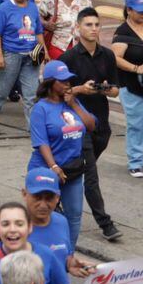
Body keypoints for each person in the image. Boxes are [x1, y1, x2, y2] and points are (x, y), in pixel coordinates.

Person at [58, 8, 121, 242]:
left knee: (76, 170)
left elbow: (115, 89)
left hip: (101, 123)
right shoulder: (69, 58)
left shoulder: (107, 55)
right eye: (88, 25)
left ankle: (53, 199)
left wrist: (105, 88)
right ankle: (106, 224)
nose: (93, 29)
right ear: (78, 28)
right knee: (90, 174)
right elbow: (58, 90)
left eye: (96, 24)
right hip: (77, 123)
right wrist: (79, 89)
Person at [27, 62, 96, 249]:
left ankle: (68, 254)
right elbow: (41, 142)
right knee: (43, 215)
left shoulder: (72, 103)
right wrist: (54, 167)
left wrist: (74, 103)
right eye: (62, 80)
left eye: (69, 80)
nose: (67, 84)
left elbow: (91, 125)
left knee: (74, 215)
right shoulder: (40, 109)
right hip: (46, 169)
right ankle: (38, 251)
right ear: (50, 83)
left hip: (72, 169)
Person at [111, 0, 143, 179]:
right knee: (136, 125)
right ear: (129, 10)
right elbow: (115, 58)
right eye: (139, 11)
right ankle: (134, 161)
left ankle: (139, 150)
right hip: (132, 85)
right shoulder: (122, 32)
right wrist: (136, 68)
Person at [0, 0, 42, 135]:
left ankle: (34, 128)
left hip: (31, 56)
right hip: (11, 53)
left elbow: (38, 31)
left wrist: (42, 51)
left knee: (31, 93)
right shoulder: (4, 7)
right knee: (2, 89)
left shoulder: (32, 7)